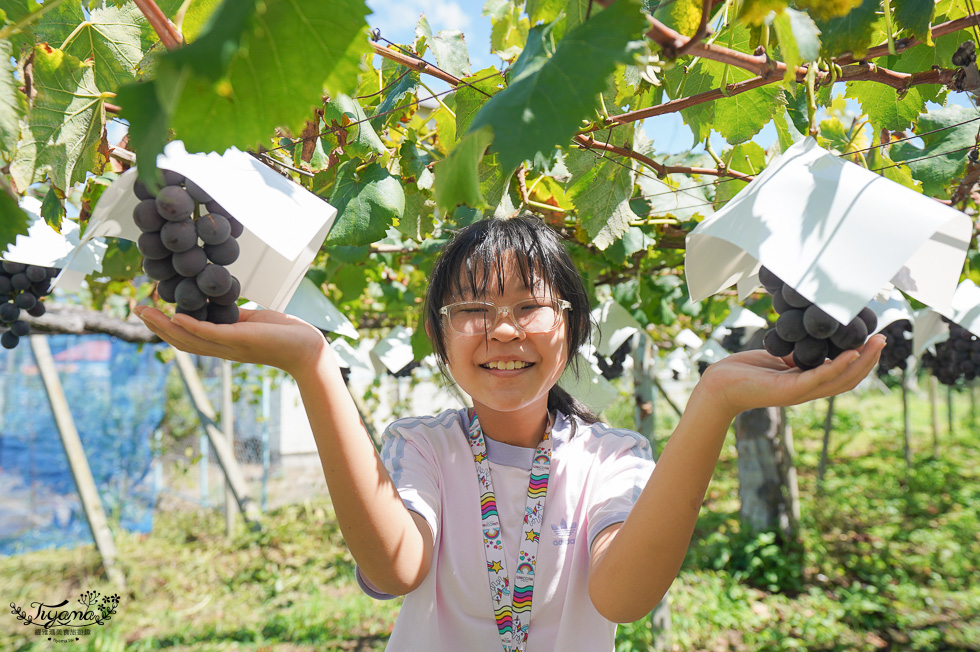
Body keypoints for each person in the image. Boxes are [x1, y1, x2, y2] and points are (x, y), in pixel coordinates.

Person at [134, 215, 885, 652]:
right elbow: (397, 568)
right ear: (438, 332)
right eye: (469, 309)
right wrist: (312, 364)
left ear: (572, 328)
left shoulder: (613, 458)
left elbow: (622, 596)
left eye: (530, 304)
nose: (499, 327)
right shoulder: (421, 446)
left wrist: (715, 400)